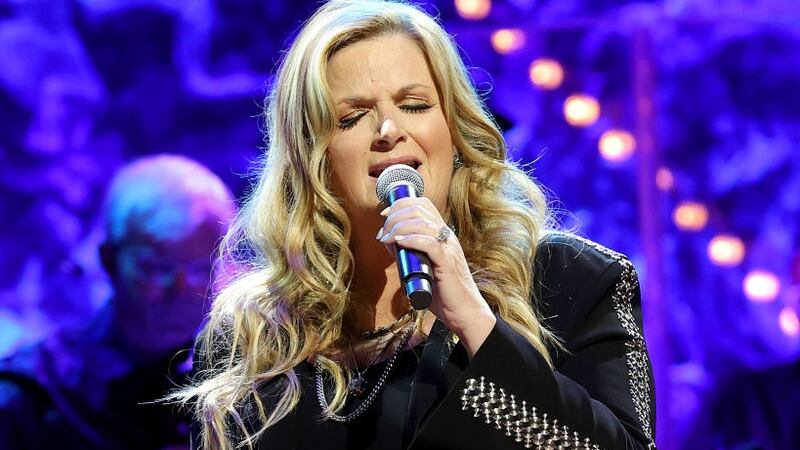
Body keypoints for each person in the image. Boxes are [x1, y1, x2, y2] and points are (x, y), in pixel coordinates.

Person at [173, 1, 656, 449]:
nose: (388, 130)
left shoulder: (572, 282)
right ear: (312, 157)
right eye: (353, 116)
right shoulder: (254, 334)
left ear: (453, 127)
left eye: (414, 105)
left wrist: (475, 321)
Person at [0, 154, 236, 450]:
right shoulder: (32, 397)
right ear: (108, 262)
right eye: (156, 268)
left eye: (201, 269)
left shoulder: (241, 386)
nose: (181, 289)